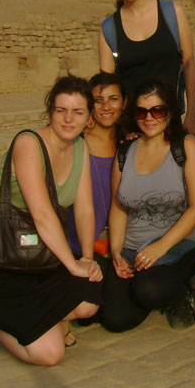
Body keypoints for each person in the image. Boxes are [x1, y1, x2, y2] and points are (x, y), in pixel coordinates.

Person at [0, 75, 103, 366]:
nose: (68, 119)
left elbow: (85, 209)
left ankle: (39, 320)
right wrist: (72, 264)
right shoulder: (28, 143)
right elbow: (41, 214)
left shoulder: (80, 147)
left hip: (45, 260)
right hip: (7, 262)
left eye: (78, 112)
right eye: (60, 110)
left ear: (89, 117)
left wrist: (88, 258)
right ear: (49, 112)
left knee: (89, 303)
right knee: (49, 355)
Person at [100, 78, 195, 331]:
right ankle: (145, 287)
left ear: (170, 112)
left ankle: (177, 294)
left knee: (149, 289)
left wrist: (160, 247)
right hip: (133, 247)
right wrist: (116, 252)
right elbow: (119, 206)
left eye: (157, 110)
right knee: (115, 320)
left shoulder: (186, 147)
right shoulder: (125, 151)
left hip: (179, 245)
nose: (149, 118)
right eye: (141, 111)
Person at [98, 0, 195, 136]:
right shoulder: (108, 29)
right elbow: (107, 86)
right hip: (132, 130)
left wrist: (192, 115)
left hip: (171, 124)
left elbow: (189, 65)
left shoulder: (172, 13)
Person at [65, 71, 125, 257]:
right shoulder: (75, 143)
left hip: (118, 246)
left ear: (125, 103)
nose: (106, 106)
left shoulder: (130, 145)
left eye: (113, 98)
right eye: (98, 100)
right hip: (75, 247)